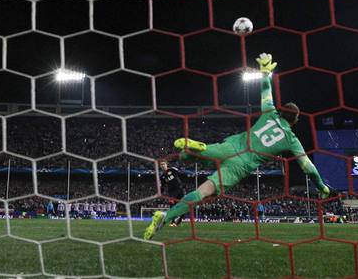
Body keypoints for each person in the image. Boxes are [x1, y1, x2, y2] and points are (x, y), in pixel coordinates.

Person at [143, 54, 333, 239]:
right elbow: (308, 167)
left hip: (231, 145)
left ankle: (194, 150)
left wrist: (265, 72)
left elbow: (265, 92)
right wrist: (321, 186)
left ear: (282, 112)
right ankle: (165, 217)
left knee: (187, 156)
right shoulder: (291, 139)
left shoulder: (270, 113)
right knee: (202, 193)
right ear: (295, 121)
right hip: (240, 165)